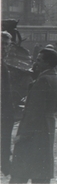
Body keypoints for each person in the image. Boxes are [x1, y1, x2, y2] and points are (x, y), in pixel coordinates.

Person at [10, 48, 57, 184]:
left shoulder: (43, 80)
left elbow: (34, 112)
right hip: (46, 129)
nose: (35, 62)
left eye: (39, 60)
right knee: (41, 170)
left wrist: (23, 135)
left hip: (33, 134)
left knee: (21, 171)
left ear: (48, 63)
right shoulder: (54, 77)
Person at [1, 32, 15, 176]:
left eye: (6, 44)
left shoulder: (3, 63)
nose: (4, 47)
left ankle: (5, 162)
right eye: (1, 44)